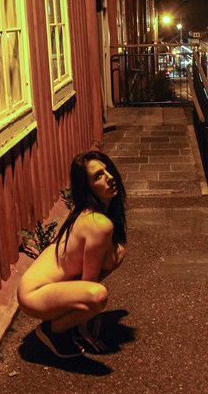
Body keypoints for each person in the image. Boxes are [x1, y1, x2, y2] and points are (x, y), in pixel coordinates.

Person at [17, 150, 127, 358]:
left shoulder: (94, 214)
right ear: (88, 187)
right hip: (34, 294)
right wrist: (85, 322)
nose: (110, 177)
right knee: (97, 295)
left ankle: (69, 319)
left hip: (51, 286)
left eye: (108, 170)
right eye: (98, 176)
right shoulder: (98, 224)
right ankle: (54, 330)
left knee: (117, 252)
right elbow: (90, 281)